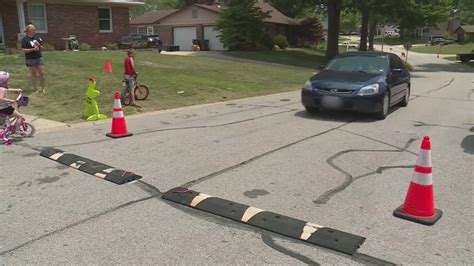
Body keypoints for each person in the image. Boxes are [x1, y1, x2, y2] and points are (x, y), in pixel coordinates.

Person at [21, 24, 46, 93]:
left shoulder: (37, 38)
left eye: (35, 29)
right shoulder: (25, 39)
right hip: (30, 59)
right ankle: (35, 88)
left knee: (42, 73)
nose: (35, 31)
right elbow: (23, 50)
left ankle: (43, 88)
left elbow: (42, 48)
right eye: (33, 30)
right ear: (29, 31)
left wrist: (39, 45)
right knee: (34, 74)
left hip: (39, 58)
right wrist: (33, 49)